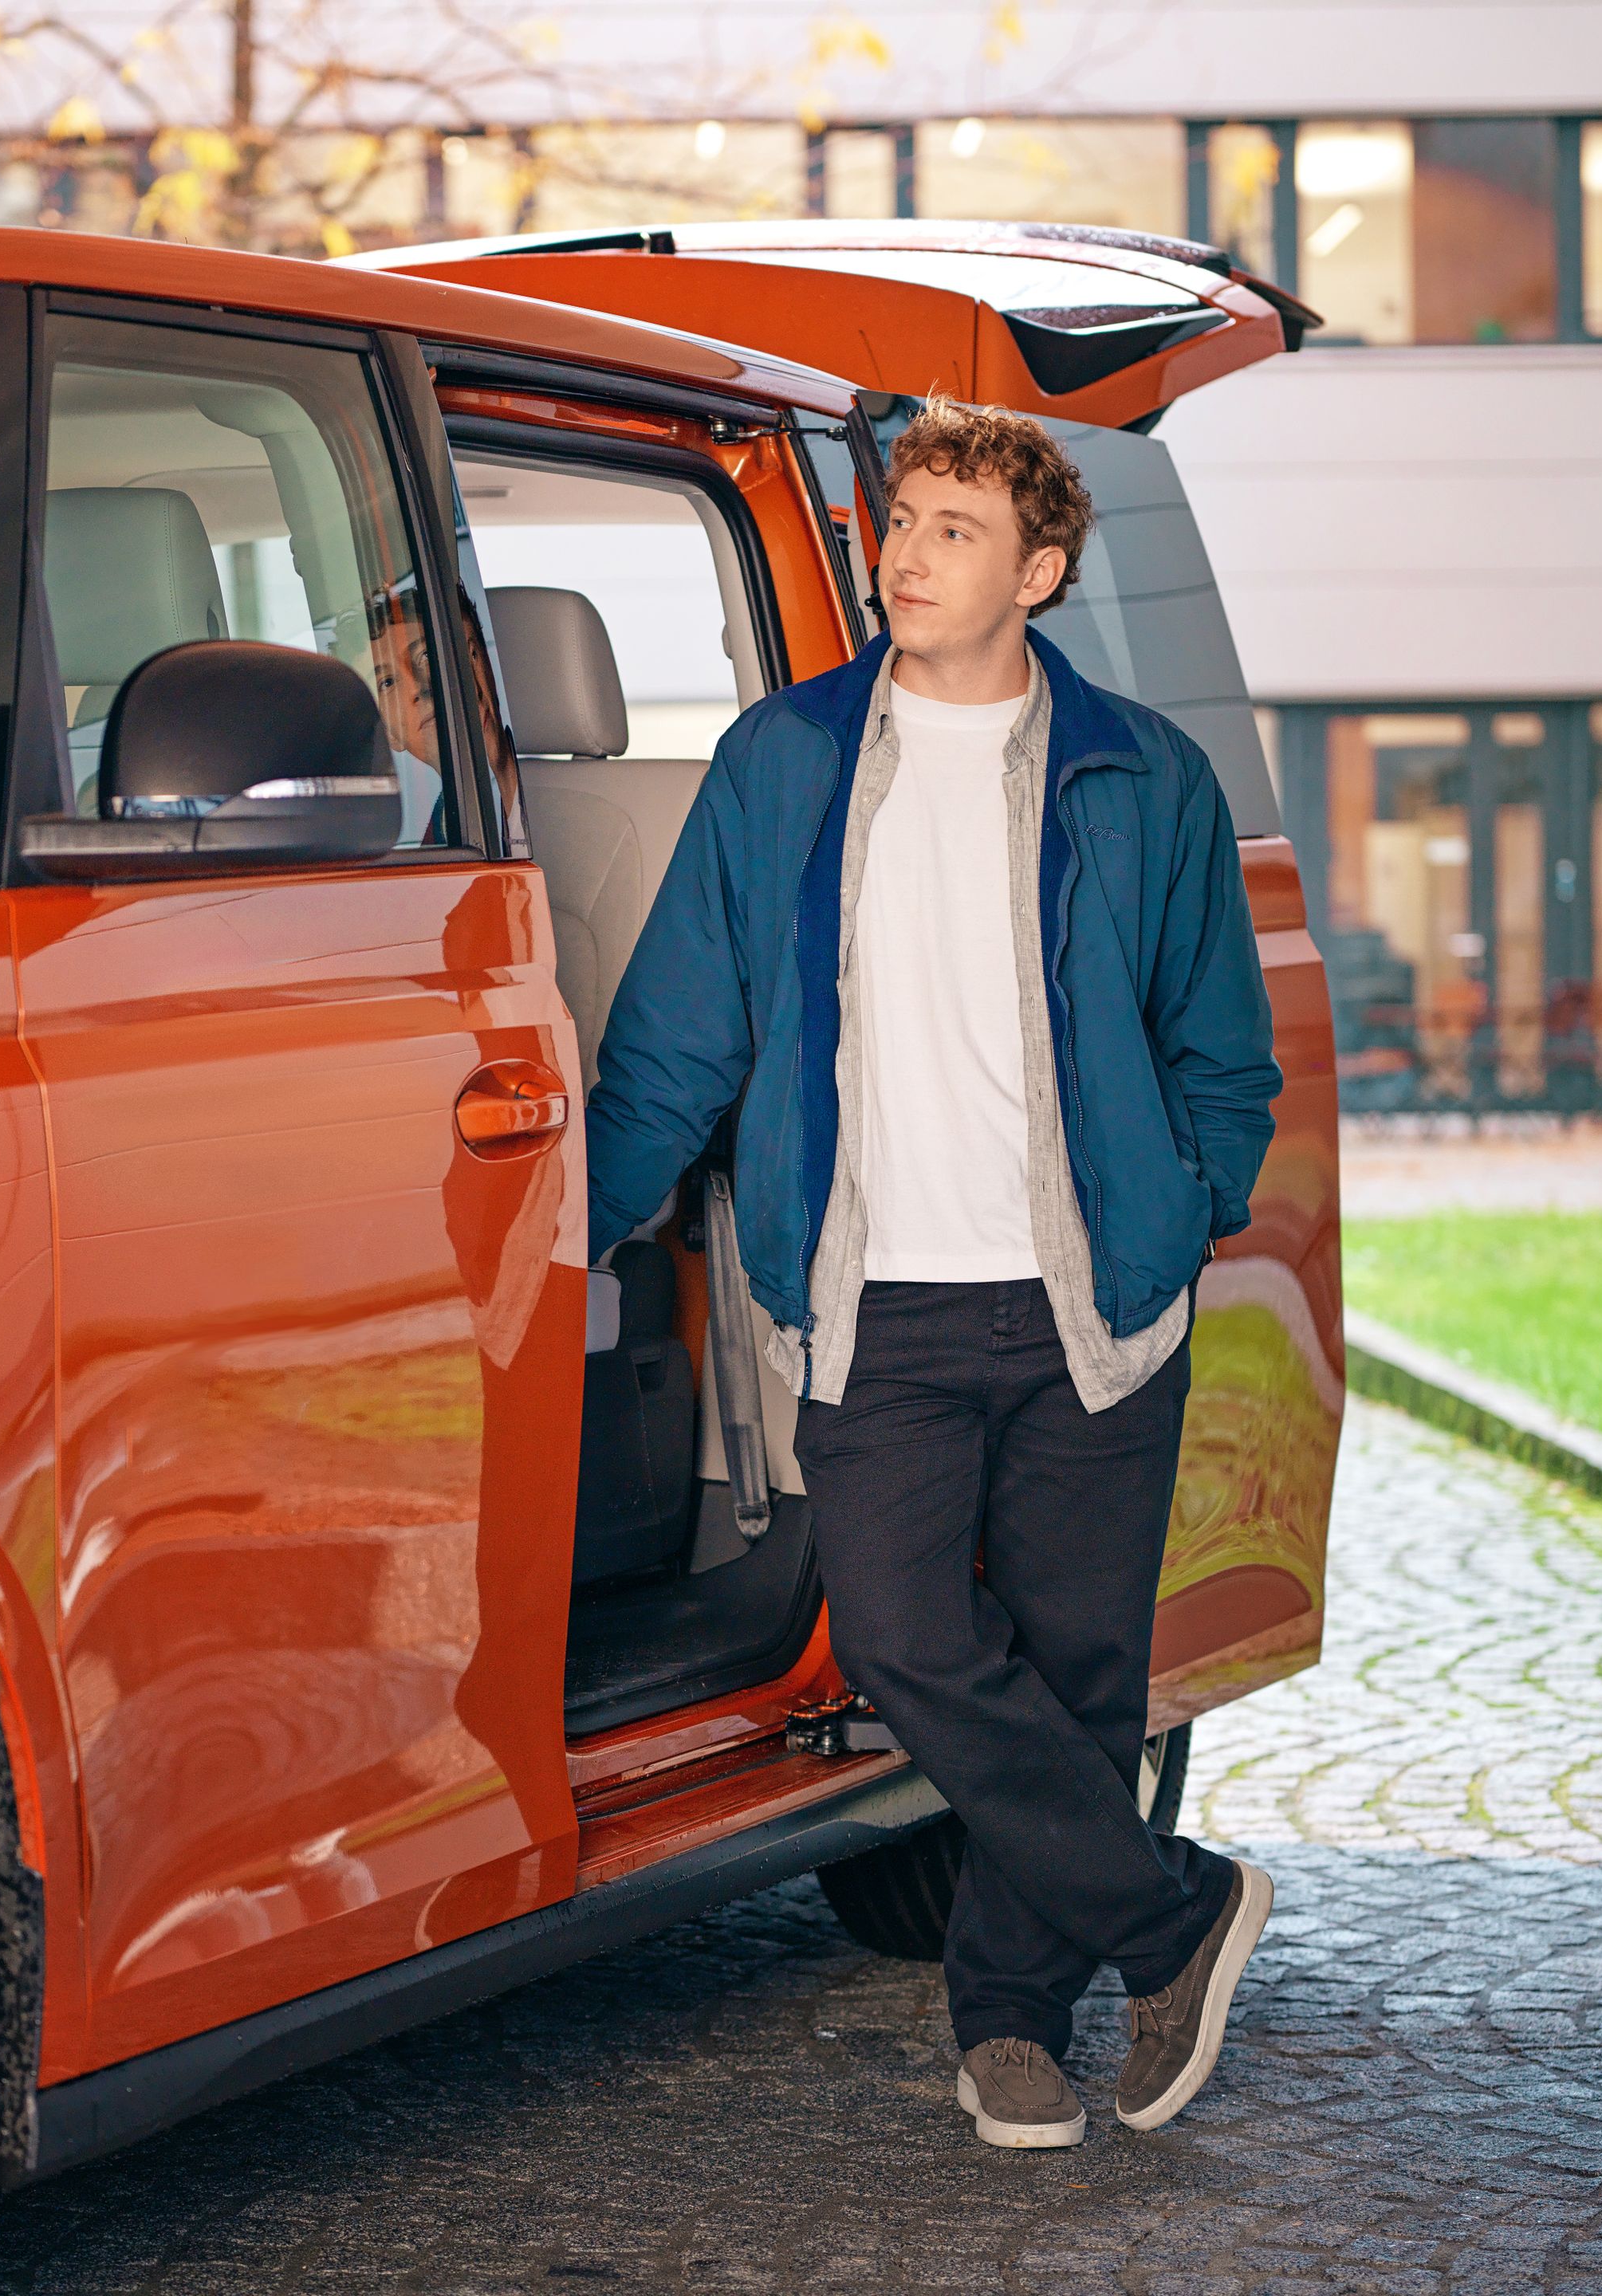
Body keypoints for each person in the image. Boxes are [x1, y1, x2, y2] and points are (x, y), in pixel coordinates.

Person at [580, 397, 1285, 2149]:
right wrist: (576, 1221)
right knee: (902, 1643)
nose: (906, 554)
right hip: (876, 1296)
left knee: (1079, 1676)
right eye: (901, 520)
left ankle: (1012, 2025)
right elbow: (681, 1021)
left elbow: (1222, 1044)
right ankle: (1179, 1916)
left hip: (1088, 1306)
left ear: (1038, 572)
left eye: (955, 529)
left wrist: (1186, 1212)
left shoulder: (1144, 777)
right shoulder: (784, 760)